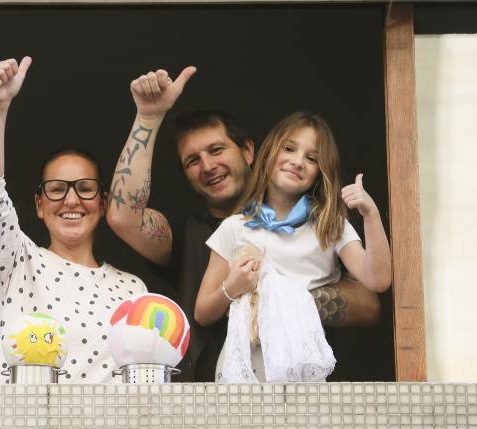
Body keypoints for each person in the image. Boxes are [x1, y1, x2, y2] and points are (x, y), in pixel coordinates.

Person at [106, 67, 380, 381]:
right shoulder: (190, 234)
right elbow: (123, 215)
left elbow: (369, 301)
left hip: (298, 391)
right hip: (213, 400)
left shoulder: (318, 223)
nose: (208, 166)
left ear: (249, 150)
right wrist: (148, 117)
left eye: (216, 149)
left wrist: (284, 299)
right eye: (192, 161)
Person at [0, 57, 146, 383]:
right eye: (57, 189)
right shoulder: (16, 263)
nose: (72, 199)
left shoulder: (133, 290)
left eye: (85, 189)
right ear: (38, 204)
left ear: (103, 203)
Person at [194, 111, 392, 382]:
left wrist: (371, 214)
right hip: (243, 368)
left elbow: (377, 280)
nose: (297, 161)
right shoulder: (235, 226)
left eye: (312, 158)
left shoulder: (330, 225)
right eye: (289, 148)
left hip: (302, 368)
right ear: (268, 153)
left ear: (320, 173)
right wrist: (233, 286)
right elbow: (203, 312)